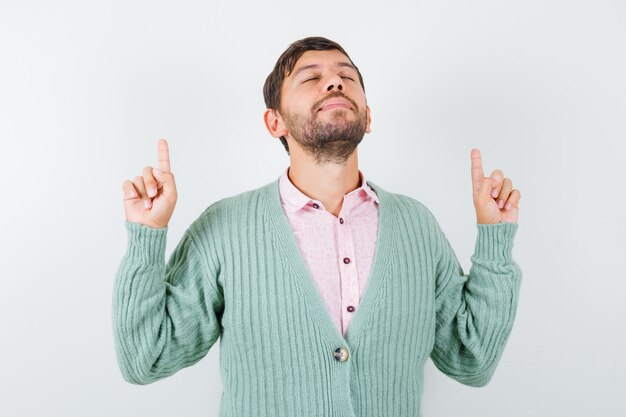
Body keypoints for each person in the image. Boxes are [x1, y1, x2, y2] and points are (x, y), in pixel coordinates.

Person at [113, 36, 522, 416]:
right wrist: (146, 238)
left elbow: (473, 360)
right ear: (275, 123)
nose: (334, 84)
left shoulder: (417, 226)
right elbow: (145, 358)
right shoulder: (223, 229)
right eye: (312, 77)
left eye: (347, 77)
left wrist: (494, 243)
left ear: (368, 116)